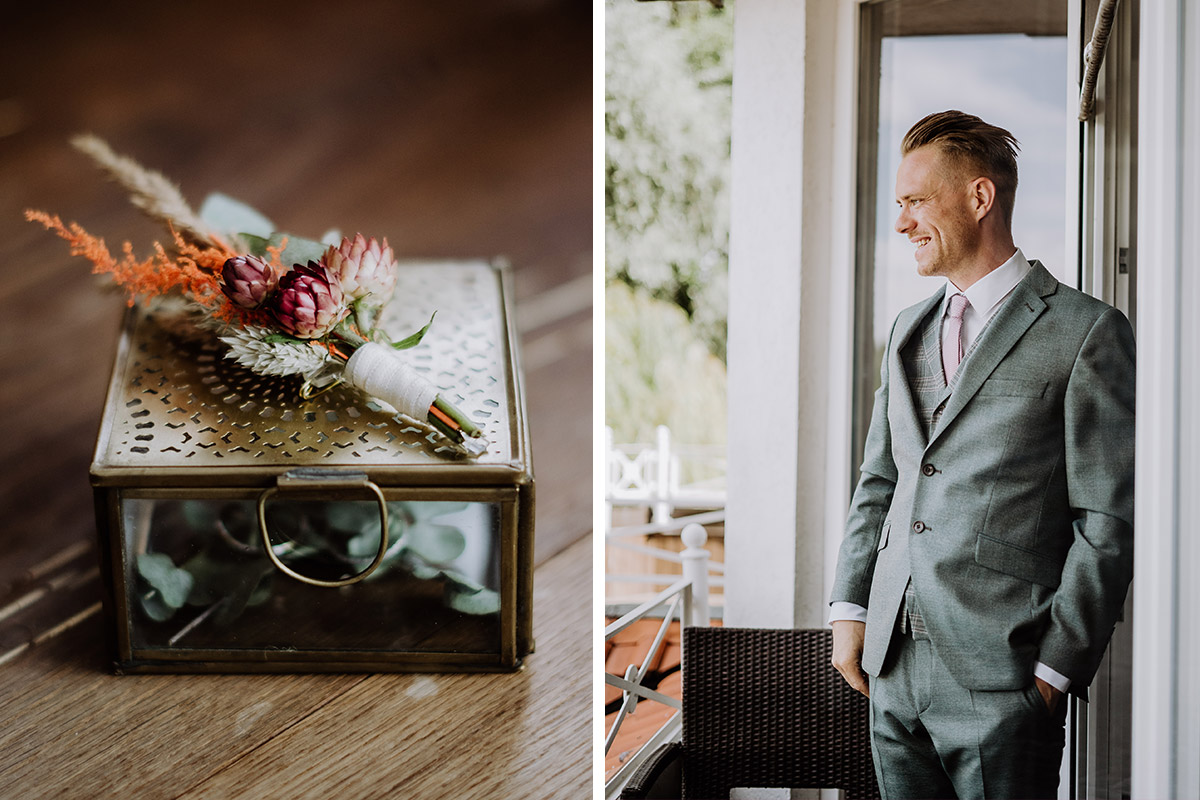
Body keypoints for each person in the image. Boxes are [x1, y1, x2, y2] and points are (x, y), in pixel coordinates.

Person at [828, 110, 1135, 799]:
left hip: (1004, 677)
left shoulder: (1086, 332)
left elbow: (1107, 518)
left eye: (914, 201)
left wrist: (1056, 670)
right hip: (890, 665)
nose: (901, 222)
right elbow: (882, 479)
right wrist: (850, 609)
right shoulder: (908, 330)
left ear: (979, 197)